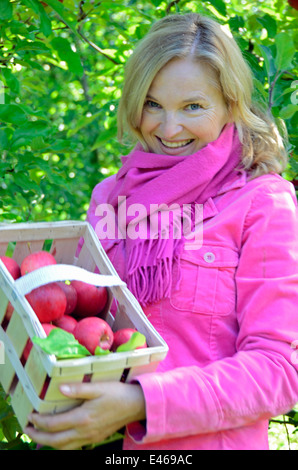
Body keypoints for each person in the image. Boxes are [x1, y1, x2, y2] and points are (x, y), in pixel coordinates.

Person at [25, 13, 298, 450]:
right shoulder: (111, 197)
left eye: (193, 106)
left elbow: (279, 372)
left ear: (231, 105)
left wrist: (140, 403)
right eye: (153, 104)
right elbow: (83, 320)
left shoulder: (262, 203)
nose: (169, 130)